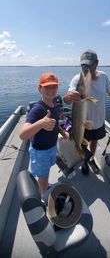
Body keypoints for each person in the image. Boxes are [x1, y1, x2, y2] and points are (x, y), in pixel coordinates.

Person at [63, 50, 110, 174]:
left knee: (94, 141)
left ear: (96, 63)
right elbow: (67, 99)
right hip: (83, 122)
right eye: (83, 65)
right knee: (82, 143)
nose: (85, 69)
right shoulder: (77, 79)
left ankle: (90, 158)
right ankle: (85, 162)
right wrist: (68, 97)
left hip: (99, 119)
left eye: (89, 65)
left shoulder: (103, 76)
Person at [19, 72, 68, 202]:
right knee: (43, 176)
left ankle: (45, 188)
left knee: (46, 172)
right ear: (40, 88)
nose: (51, 90)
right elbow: (23, 135)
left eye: (54, 87)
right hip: (40, 152)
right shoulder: (37, 109)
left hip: (51, 147)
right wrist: (41, 123)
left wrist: (62, 132)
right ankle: (43, 196)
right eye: (47, 87)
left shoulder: (53, 105)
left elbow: (55, 123)